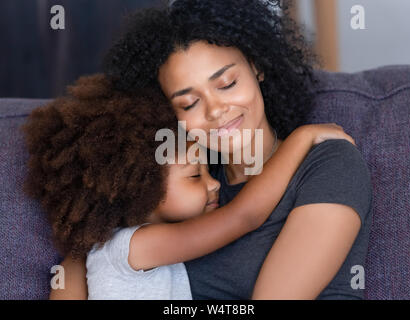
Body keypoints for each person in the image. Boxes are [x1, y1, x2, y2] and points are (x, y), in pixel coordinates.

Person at [51, 0, 373, 299]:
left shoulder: (329, 164)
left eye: (227, 83)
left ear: (256, 67)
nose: (216, 110)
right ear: (167, 113)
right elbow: (88, 257)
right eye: (189, 103)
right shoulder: (187, 185)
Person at [22, 73, 354, 299]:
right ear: (140, 189)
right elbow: (244, 216)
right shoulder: (137, 246)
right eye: (195, 176)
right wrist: (301, 138)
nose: (214, 185)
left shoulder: (107, 252)